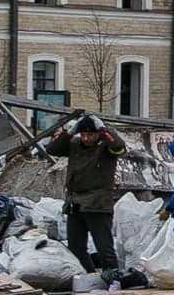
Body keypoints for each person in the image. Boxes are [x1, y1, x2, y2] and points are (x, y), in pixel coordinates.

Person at [43, 114, 128, 277]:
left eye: (90, 134)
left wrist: (104, 129)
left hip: (98, 203)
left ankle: (114, 278)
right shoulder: (75, 145)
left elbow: (119, 146)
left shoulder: (106, 148)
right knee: (76, 247)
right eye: (82, 134)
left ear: (97, 134)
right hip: (75, 203)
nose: (86, 138)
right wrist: (69, 132)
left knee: (104, 247)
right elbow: (52, 149)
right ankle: (88, 277)